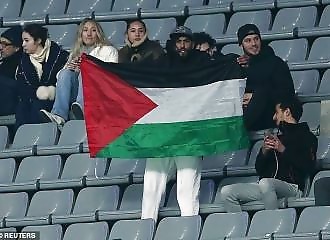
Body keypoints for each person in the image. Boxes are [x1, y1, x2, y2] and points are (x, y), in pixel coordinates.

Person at [141, 26, 210, 222]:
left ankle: (188, 227)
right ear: (172, 43)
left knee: (187, 187)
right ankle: (146, 226)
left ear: (192, 43)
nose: (182, 45)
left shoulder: (202, 62)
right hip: (163, 133)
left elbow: (221, 68)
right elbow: (134, 74)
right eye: (178, 41)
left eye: (186, 41)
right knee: (152, 183)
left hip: (190, 135)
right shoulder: (161, 63)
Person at [220, 96, 318, 212]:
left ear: (287, 112)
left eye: (277, 112)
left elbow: (308, 166)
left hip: (292, 187)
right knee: (227, 192)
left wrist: (283, 150)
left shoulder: (307, 137)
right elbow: (259, 169)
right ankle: (238, 226)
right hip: (266, 187)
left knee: (266, 183)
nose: (274, 117)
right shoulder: (278, 137)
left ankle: (272, 220)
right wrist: (264, 152)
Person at [40, 18, 118, 124]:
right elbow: (60, 78)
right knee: (65, 73)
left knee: (86, 70)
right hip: (77, 93)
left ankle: (83, 107)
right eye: (85, 30)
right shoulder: (75, 53)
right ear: (81, 34)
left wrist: (87, 67)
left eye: (93, 30)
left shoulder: (109, 50)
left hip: (99, 93)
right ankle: (59, 115)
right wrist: (71, 69)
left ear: (98, 33)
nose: (89, 34)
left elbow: (113, 75)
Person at [236, 24, 295, 131]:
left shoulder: (276, 63)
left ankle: (238, 130)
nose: (254, 44)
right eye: (248, 40)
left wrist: (254, 97)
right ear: (241, 45)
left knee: (262, 91)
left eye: (256, 39)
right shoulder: (240, 66)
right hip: (249, 114)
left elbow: (287, 92)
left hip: (271, 112)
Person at [15, 24, 69, 129]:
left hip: (55, 100)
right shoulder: (22, 62)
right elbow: (21, 87)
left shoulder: (61, 56)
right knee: (22, 107)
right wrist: (38, 92)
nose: (23, 45)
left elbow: (64, 83)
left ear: (38, 40)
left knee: (37, 106)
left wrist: (49, 92)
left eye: (26, 40)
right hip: (32, 100)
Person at [0, 26, 23, 116]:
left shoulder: (24, 63)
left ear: (17, 47)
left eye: (4, 44)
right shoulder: (4, 63)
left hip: (13, 104)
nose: (0, 47)